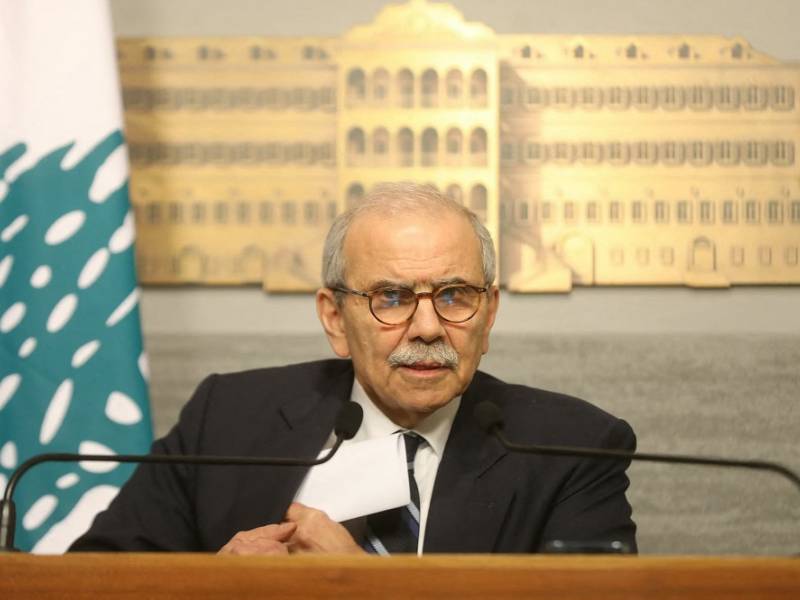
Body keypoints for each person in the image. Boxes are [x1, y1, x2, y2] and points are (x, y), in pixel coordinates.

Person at [71, 182, 636, 554]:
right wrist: (212, 589)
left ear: (488, 314)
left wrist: (364, 588)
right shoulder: (226, 419)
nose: (428, 327)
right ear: (335, 318)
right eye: (391, 297)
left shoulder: (573, 449)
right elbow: (92, 580)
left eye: (454, 295)